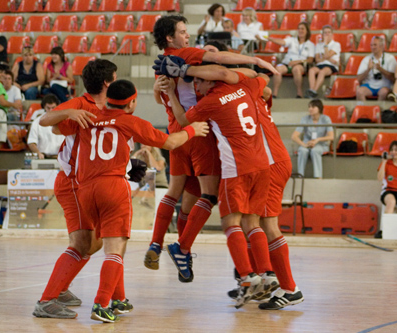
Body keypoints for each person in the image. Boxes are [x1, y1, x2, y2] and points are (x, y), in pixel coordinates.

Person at [54, 79, 208, 322]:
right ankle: (101, 304)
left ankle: (117, 299)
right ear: (132, 102)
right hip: (112, 187)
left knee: (109, 246)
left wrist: (68, 112)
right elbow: (169, 142)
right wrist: (192, 130)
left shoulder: (88, 118)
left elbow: (52, 127)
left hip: (84, 189)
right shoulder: (131, 121)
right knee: (115, 249)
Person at [145, 15, 277, 283]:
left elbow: (161, 97)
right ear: (170, 38)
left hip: (176, 134)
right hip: (200, 133)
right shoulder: (189, 59)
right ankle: (186, 249)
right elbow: (226, 68)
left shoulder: (162, 65)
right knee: (216, 201)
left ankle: (159, 245)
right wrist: (256, 62)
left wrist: (160, 90)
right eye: (183, 31)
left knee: (181, 196)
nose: (188, 36)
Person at [32, 59, 118, 319]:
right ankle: (47, 301)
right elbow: (45, 120)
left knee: (94, 244)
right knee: (82, 243)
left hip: (89, 183)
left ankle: (62, 287)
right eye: (115, 77)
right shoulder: (80, 104)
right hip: (72, 182)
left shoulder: (110, 107)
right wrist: (68, 113)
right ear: (106, 82)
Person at [227, 86, 303, 309]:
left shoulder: (233, 97)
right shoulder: (251, 93)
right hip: (268, 162)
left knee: (266, 225)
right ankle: (261, 282)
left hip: (269, 164)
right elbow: (267, 90)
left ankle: (289, 288)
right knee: (251, 222)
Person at [264, 22, 314, 98]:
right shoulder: (292, 40)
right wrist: (269, 38)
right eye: (299, 28)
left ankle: (299, 93)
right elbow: (282, 42)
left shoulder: (310, 44)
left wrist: (298, 61)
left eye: (302, 29)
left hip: (300, 64)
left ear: (307, 31)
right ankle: (274, 93)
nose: (300, 30)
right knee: (277, 69)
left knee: (296, 69)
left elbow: (310, 60)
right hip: (287, 63)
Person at [291, 99, 334, 178]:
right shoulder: (305, 119)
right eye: (309, 107)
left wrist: (317, 140)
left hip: (320, 145)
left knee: (315, 150)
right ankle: (300, 176)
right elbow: (294, 136)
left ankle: (318, 176)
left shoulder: (326, 119)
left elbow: (331, 136)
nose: (310, 109)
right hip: (307, 144)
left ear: (319, 109)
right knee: (302, 151)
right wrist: (303, 144)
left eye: (313, 107)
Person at [356, 36, 397, 101]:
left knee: (384, 92)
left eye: (375, 45)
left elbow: (393, 78)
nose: (373, 47)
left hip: (384, 86)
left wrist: (380, 69)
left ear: (381, 46)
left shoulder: (390, 58)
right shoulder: (366, 59)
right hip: (369, 85)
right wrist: (368, 69)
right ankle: (364, 109)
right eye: (371, 45)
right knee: (359, 92)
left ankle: (378, 110)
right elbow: (358, 78)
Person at [306, 25, 341, 98]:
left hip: (331, 65)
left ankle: (314, 91)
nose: (327, 34)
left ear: (332, 34)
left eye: (329, 32)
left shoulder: (336, 44)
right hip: (321, 64)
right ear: (322, 34)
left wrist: (325, 44)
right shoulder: (318, 45)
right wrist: (328, 58)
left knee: (322, 72)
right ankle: (311, 90)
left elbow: (327, 55)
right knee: (311, 70)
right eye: (325, 33)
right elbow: (317, 59)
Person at [27, 94, 62, 159]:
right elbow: (31, 142)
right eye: (48, 108)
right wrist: (38, 153)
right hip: (43, 156)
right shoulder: (37, 122)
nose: (51, 110)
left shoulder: (63, 121)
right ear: (44, 107)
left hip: (60, 157)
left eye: (53, 108)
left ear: (57, 106)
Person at [378, 141, 397, 214]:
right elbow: (379, 178)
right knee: (391, 202)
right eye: (392, 150)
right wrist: (384, 162)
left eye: (396, 150)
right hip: (388, 191)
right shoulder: (387, 163)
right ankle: (387, 225)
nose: (394, 152)